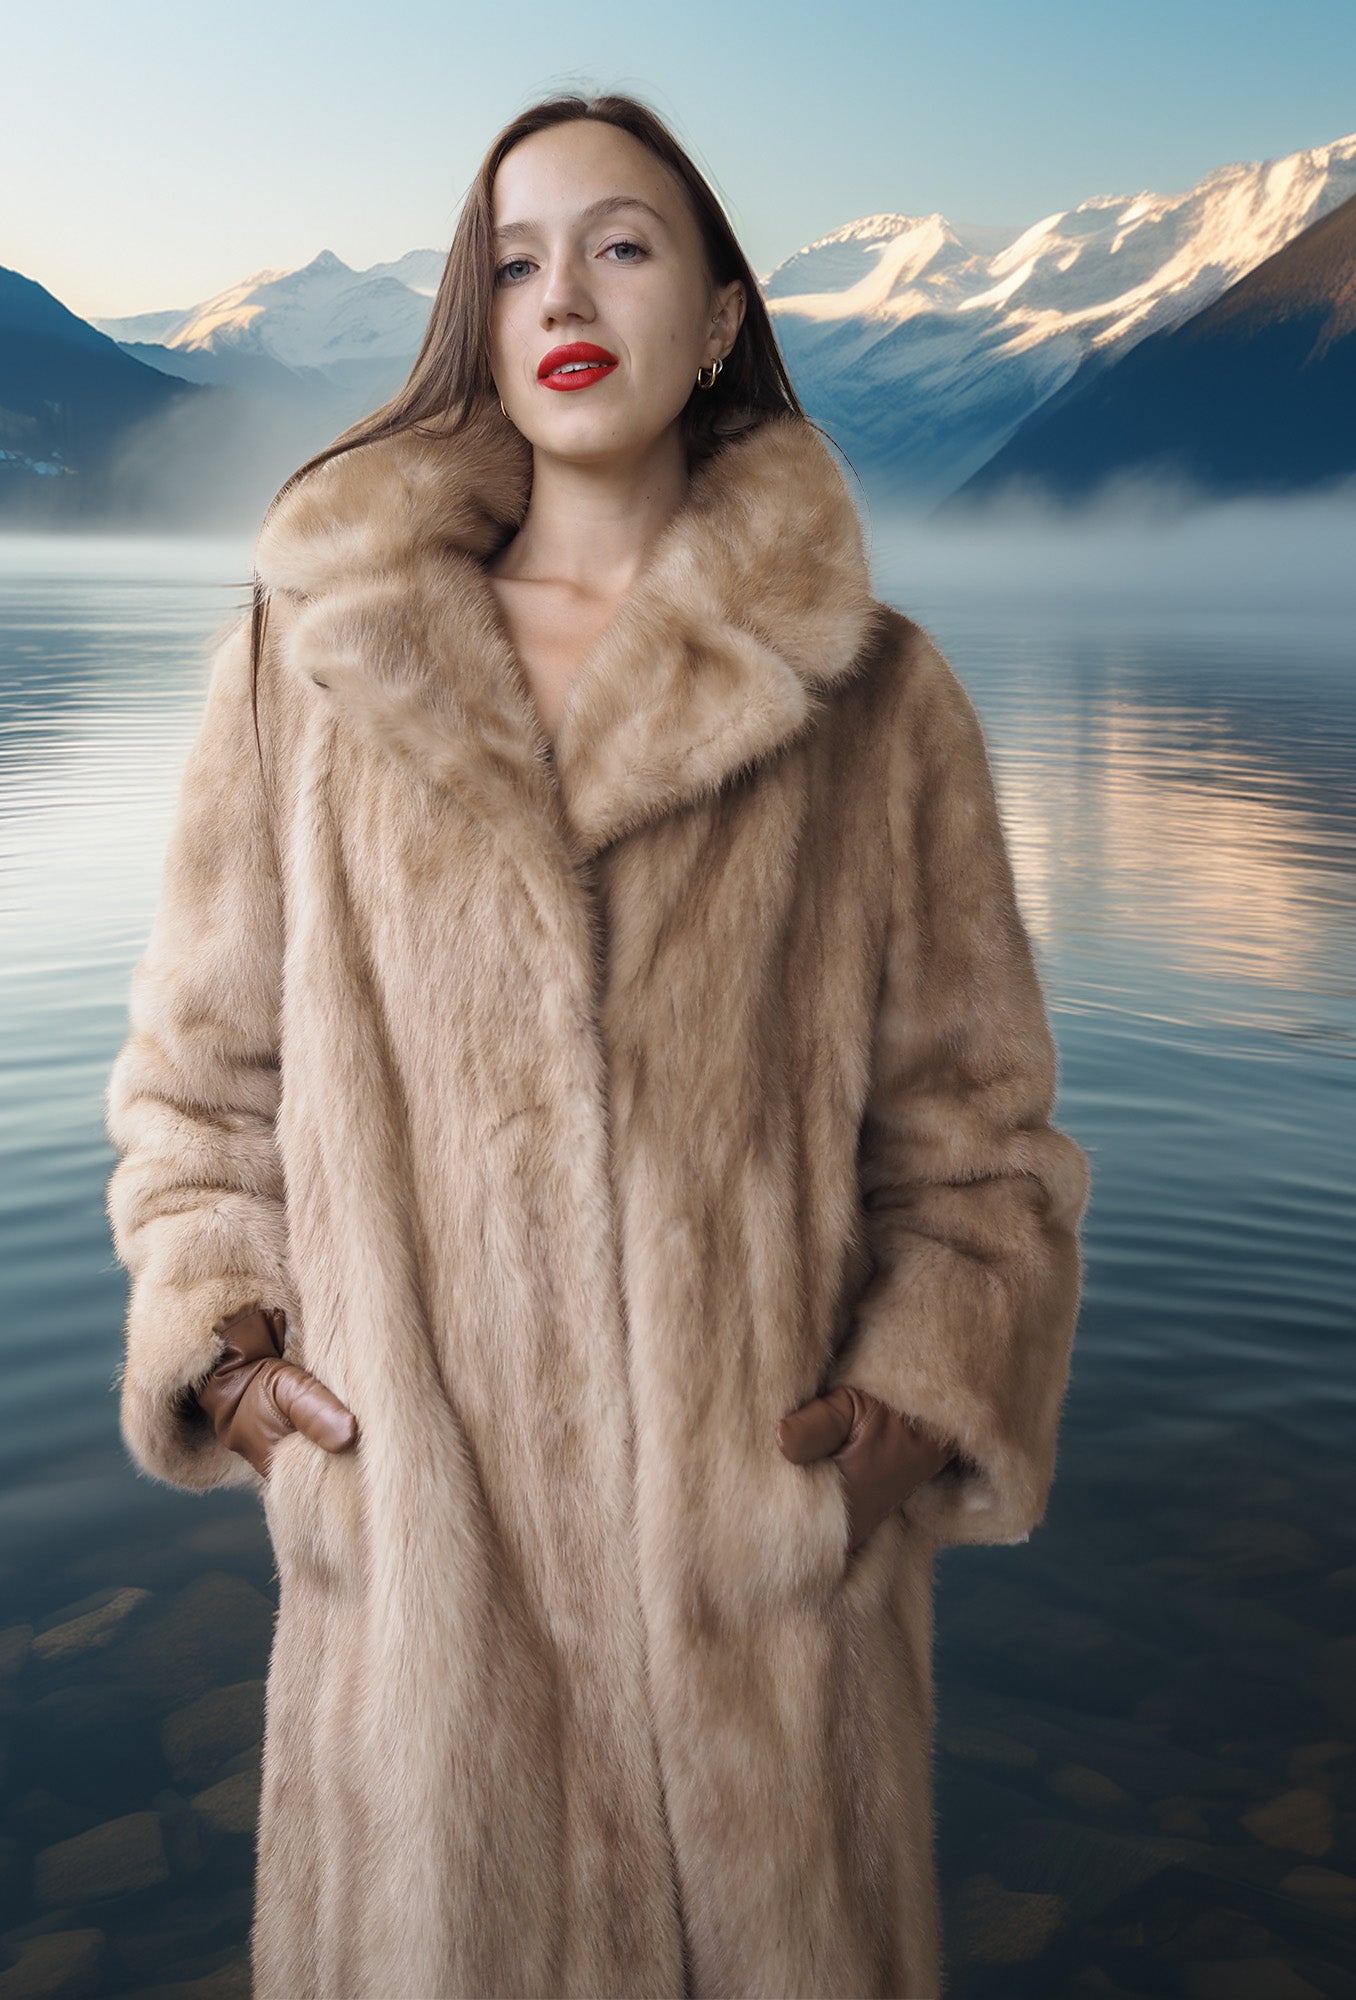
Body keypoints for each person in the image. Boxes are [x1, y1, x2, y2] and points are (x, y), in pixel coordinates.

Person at [104, 89, 1092, 2000]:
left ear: (717, 310)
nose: (563, 291)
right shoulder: (318, 662)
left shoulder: (879, 706)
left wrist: (879, 1446)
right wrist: (239, 1364)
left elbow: (982, 1156)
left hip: (768, 1672)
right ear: (476, 319)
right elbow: (199, 1093)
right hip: (427, 1668)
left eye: (621, 244)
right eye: (515, 258)